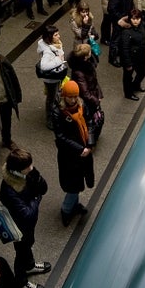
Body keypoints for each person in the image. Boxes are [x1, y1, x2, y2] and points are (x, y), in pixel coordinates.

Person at [0, 148, 51, 288]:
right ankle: (21, 282)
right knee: (21, 252)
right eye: (27, 167)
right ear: (17, 170)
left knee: (28, 243)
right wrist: (36, 199)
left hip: (27, 226)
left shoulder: (27, 172)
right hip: (18, 227)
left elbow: (44, 188)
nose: (32, 167)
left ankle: (30, 265)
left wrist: (36, 176)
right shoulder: (9, 190)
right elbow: (27, 214)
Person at [50, 80, 95, 226]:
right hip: (69, 156)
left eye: (75, 96)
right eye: (70, 97)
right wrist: (81, 149)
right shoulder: (58, 112)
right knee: (73, 186)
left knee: (77, 183)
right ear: (64, 96)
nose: (74, 99)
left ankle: (73, 206)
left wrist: (89, 143)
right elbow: (61, 137)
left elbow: (90, 123)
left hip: (83, 152)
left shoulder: (82, 106)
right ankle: (66, 209)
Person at [67, 42, 104, 146]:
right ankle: (88, 141)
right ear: (85, 57)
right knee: (90, 121)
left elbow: (94, 82)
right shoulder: (79, 73)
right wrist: (96, 100)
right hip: (89, 101)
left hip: (93, 96)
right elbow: (85, 93)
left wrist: (99, 94)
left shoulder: (86, 65)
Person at [36, 25, 66, 125]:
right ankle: (50, 119)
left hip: (56, 77)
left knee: (54, 96)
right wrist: (59, 60)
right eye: (56, 35)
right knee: (51, 98)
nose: (59, 36)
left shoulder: (55, 44)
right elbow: (44, 66)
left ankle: (55, 114)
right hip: (52, 79)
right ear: (50, 37)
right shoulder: (48, 51)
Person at [106, 0, 135, 65]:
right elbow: (111, 9)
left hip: (127, 17)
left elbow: (131, 2)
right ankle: (112, 58)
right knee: (116, 39)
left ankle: (119, 52)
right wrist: (120, 19)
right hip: (118, 20)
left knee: (124, 37)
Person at [120, 8, 145, 101]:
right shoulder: (126, 32)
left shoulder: (142, 26)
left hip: (141, 55)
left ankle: (136, 85)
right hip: (131, 58)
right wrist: (128, 64)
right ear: (130, 19)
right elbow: (124, 49)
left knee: (142, 72)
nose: (136, 21)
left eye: (138, 18)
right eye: (133, 19)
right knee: (128, 77)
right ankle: (128, 93)